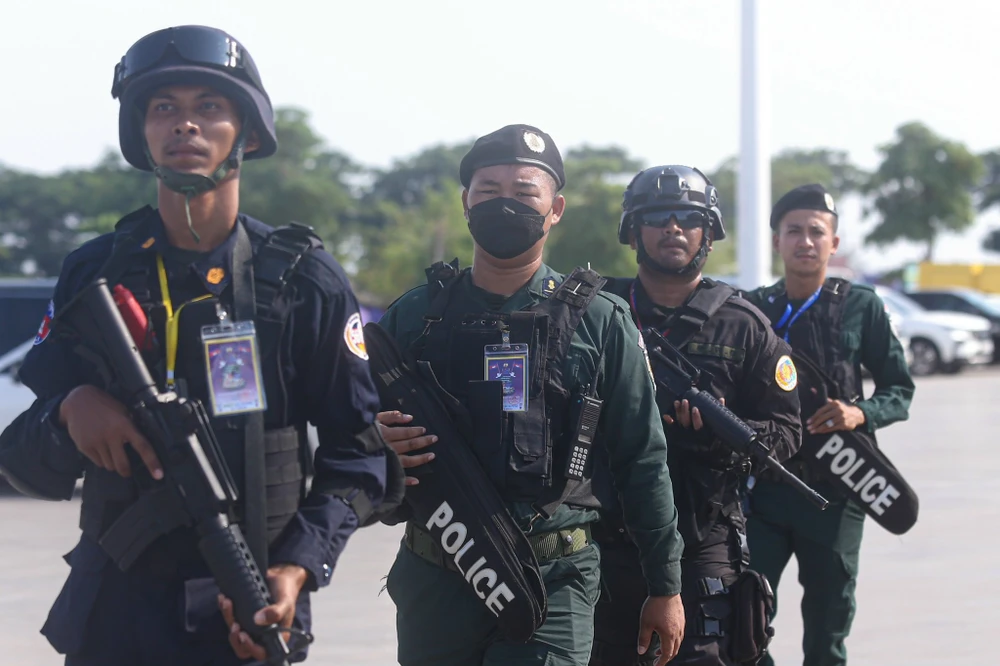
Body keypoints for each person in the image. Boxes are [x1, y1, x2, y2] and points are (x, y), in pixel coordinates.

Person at [0, 25, 398, 666]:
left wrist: (297, 568)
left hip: (251, 606)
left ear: (247, 134)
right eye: (164, 108)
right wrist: (69, 411)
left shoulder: (304, 280)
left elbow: (360, 457)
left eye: (209, 107)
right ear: (142, 133)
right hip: (116, 615)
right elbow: (21, 457)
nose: (185, 124)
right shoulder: (95, 273)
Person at [374, 124, 686, 666]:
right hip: (437, 576)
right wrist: (374, 440)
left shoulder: (600, 321)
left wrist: (666, 584)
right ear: (466, 203)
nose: (505, 205)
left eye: (524, 193)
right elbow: (349, 429)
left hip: (553, 581)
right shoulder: (413, 316)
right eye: (488, 190)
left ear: (555, 208)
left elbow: (643, 459)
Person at [591, 165, 802, 666]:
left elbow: (787, 433)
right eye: (657, 216)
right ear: (633, 232)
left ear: (708, 234)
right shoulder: (597, 315)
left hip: (704, 537)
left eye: (689, 218)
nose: (673, 228)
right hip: (605, 535)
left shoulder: (743, 326)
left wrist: (722, 433)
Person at [741, 184, 915, 666]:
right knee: (745, 618)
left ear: (833, 243)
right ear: (776, 240)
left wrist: (861, 413)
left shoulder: (862, 306)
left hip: (837, 492)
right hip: (764, 492)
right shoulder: (751, 309)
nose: (805, 241)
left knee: (827, 627)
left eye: (816, 232)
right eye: (793, 230)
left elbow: (899, 390)